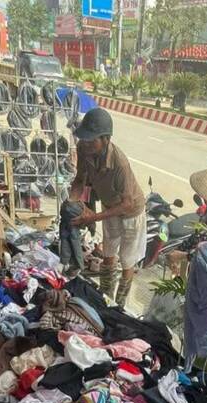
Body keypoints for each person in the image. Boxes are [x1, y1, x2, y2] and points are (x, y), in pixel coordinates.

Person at [69, 107, 146, 307]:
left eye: (91, 140)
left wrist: (93, 217)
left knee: (127, 259)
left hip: (131, 211)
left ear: (105, 139)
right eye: (84, 138)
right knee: (108, 253)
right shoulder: (83, 149)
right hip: (109, 206)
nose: (85, 143)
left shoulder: (120, 163)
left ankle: (119, 304)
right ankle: (105, 297)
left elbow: (127, 203)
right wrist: (72, 202)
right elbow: (79, 180)